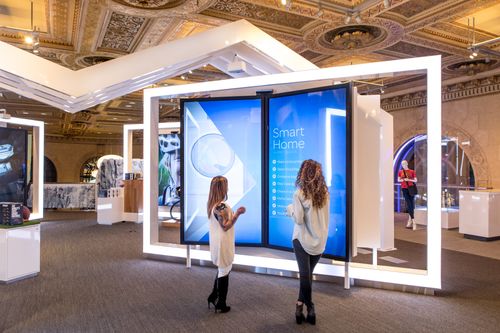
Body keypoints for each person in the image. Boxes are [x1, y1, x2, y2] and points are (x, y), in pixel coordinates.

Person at [286, 160, 330, 326]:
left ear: (302, 174)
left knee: (305, 276)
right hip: (320, 242)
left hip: (302, 240)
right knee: (307, 275)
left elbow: (298, 219)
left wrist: (290, 208)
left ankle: (309, 307)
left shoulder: (299, 193)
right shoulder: (325, 193)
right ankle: (299, 306)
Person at [206, 176, 246, 313]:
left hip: (218, 242)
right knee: (224, 271)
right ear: (221, 189)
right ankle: (220, 303)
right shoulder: (220, 206)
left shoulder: (213, 205)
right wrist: (238, 214)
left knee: (222, 269)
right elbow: (225, 226)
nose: (228, 188)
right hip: (223, 243)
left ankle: (213, 296)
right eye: (226, 186)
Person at [398, 160, 418, 230]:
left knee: (411, 204)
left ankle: (410, 221)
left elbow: (415, 180)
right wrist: (403, 180)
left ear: (407, 164)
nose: (403, 165)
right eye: (402, 164)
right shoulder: (400, 172)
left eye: (404, 164)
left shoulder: (412, 171)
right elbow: (398, 180)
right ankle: (413, 221)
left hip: (411, 189)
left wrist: (408, 179)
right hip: (404, 189)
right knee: (409, 204)